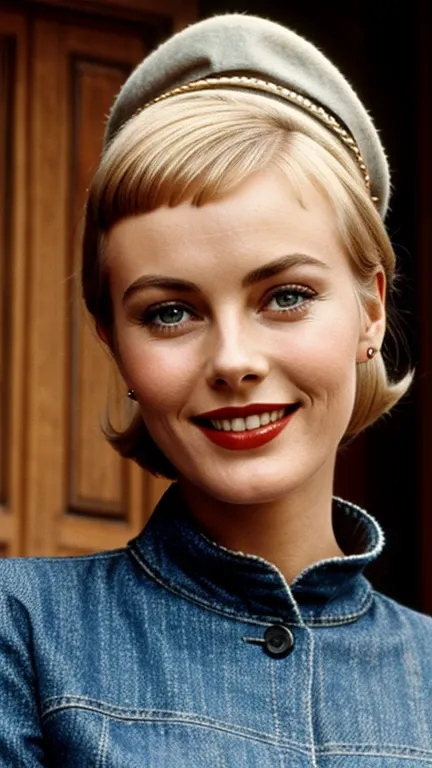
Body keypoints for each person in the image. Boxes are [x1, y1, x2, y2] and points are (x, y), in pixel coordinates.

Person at [0, 13, 431, 767]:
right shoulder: (22, 633)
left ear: (371, 307)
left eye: (286, 296)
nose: (233, 360)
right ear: (113, 340)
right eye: (170, 312)